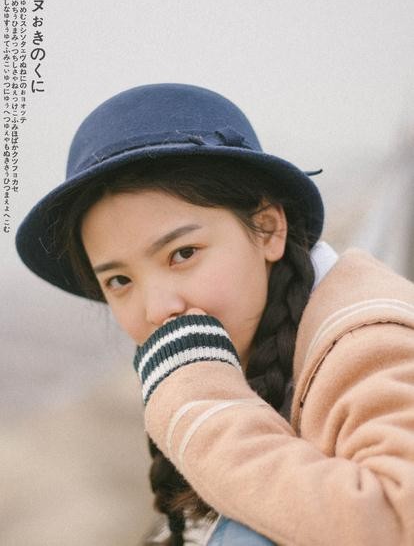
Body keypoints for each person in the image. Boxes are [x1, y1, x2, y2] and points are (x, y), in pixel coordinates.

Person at [16, 83, 414, 546]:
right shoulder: (255, 337)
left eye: (183, 253)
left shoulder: (374, 339)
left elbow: (395, 521)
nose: (158, 308)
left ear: (268, 228)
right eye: (120, 281)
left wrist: (200, 407)